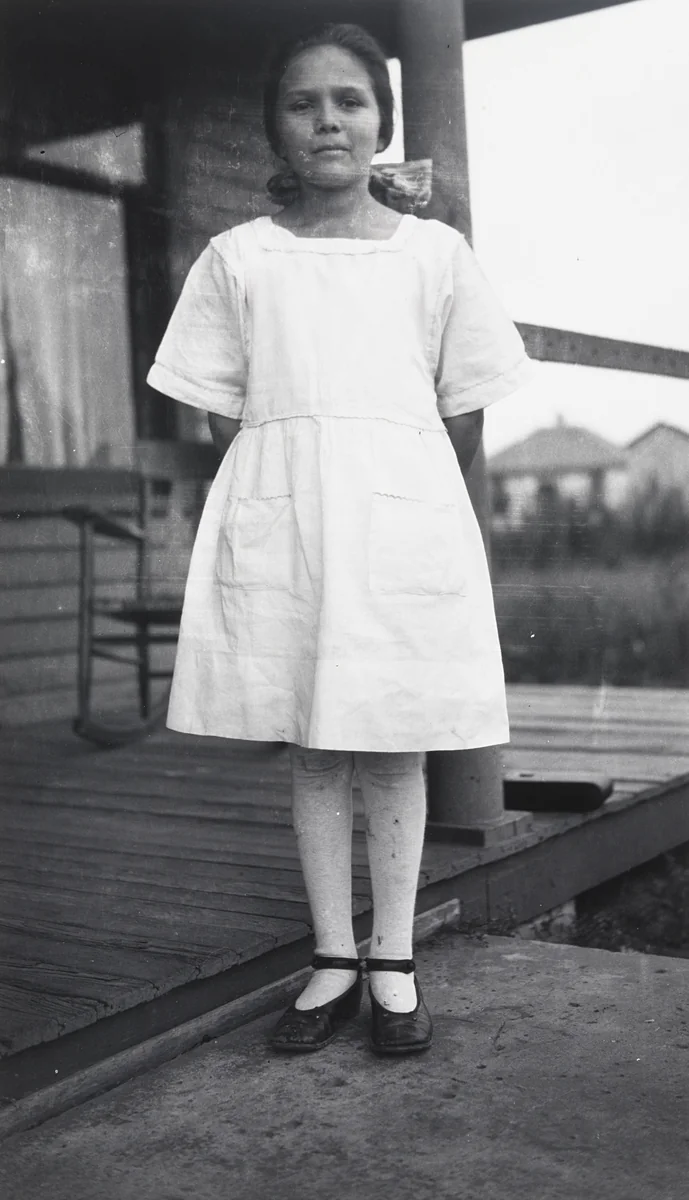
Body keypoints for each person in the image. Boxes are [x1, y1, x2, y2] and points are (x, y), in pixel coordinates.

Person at [147, 22, 533, 1056]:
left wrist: (386, 478)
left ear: (379, 123)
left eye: (349, 101)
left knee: (391, 733)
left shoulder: (432, 256)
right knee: (316, 743)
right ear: (276, 125)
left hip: (401, 522)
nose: (327, 118)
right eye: (303, 102)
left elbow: (462, 404)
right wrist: (295, 476)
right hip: (290, 525)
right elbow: (223, 406)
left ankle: (394, 958)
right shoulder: (241, 259)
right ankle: (330, 957)